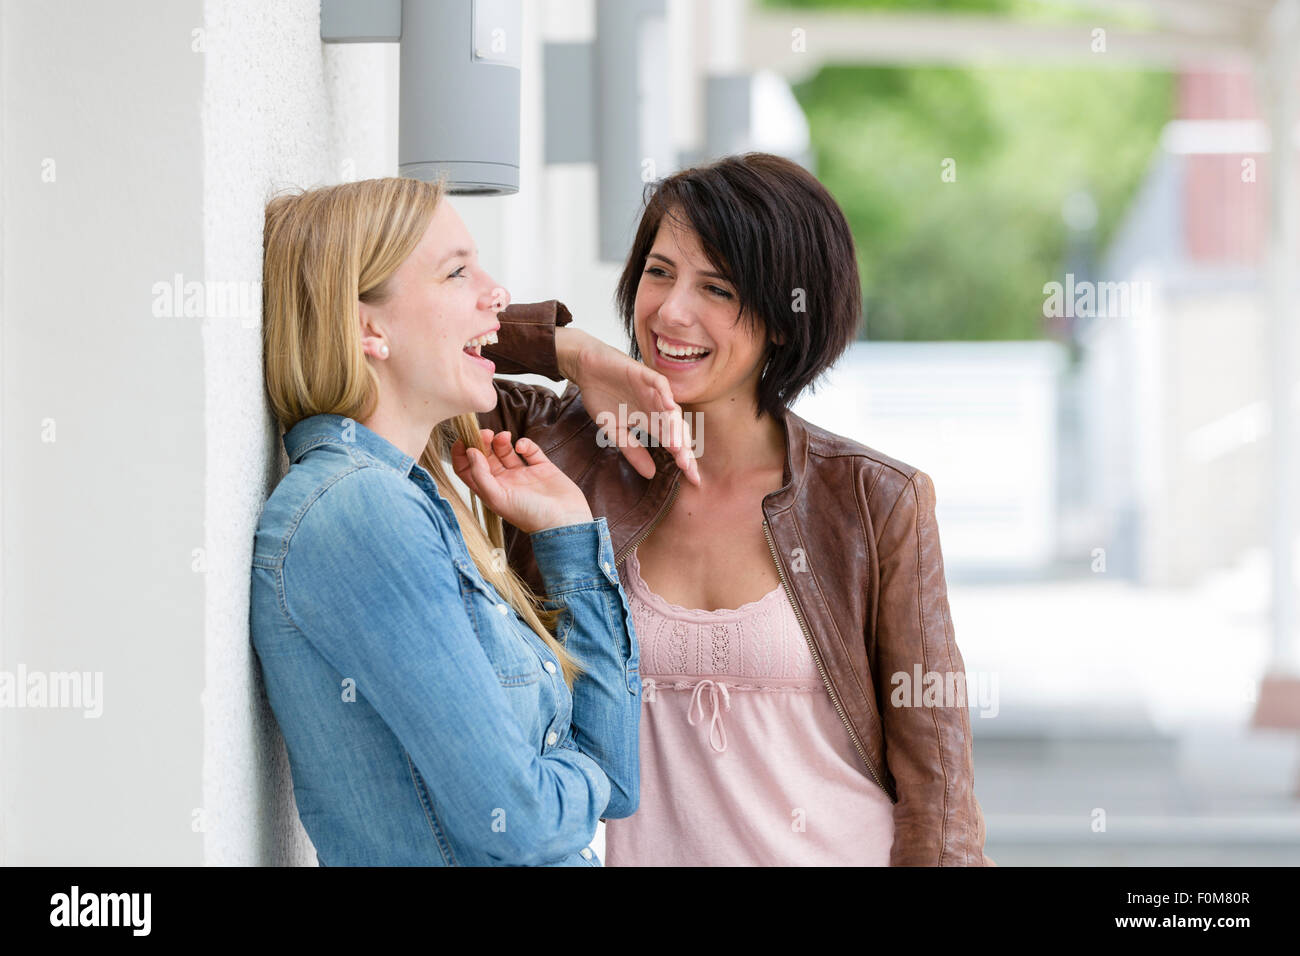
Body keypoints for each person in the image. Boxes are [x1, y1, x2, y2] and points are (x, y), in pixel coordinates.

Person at [470, 152, 994, 865]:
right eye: (659, 272)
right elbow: (388, 339)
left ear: (784, 318)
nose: (672, 311)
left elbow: (937, 787)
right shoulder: (557, 447)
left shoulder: (874, 501)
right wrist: (573, 351)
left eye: (718, 288)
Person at [249, 176, 640, 866]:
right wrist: (584, 784)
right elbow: (519, 822)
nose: (495, 292)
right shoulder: (360, 512)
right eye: (458, 272)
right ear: (368, 327)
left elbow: (617, 778)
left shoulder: (419, 504)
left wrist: (569, 538)